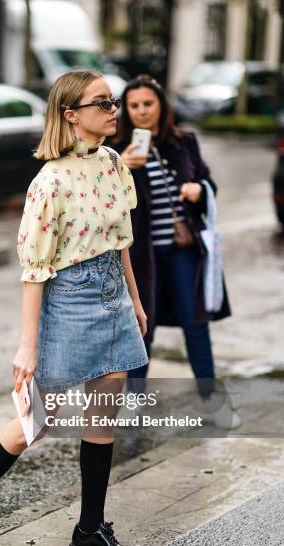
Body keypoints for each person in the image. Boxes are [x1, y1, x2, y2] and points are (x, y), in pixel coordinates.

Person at [0, 69, 149, 546]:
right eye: (103, 103)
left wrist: (134, 300)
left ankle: (90, 533)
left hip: (112, 294)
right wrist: (27, 347)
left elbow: (120, 241)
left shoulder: (113, 164)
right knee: (36, 422)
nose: (113, 110)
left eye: (113, 102)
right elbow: (34, 272)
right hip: (69, 298)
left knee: (103, 413)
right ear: (71, 114)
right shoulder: (49, 182)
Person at [110, 74, 240, 429]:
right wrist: (121, 166)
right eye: (134, 105)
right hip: (141, 257)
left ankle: (211, 400)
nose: (141, 112)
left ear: (161, 106)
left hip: (183, 251)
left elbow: (208, 181)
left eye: (148, 104)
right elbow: (104, 200)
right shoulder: (115, 150)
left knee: (195, 323)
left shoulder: (185, 142)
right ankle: (134, 399)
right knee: (141, 327)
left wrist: (199, 188)